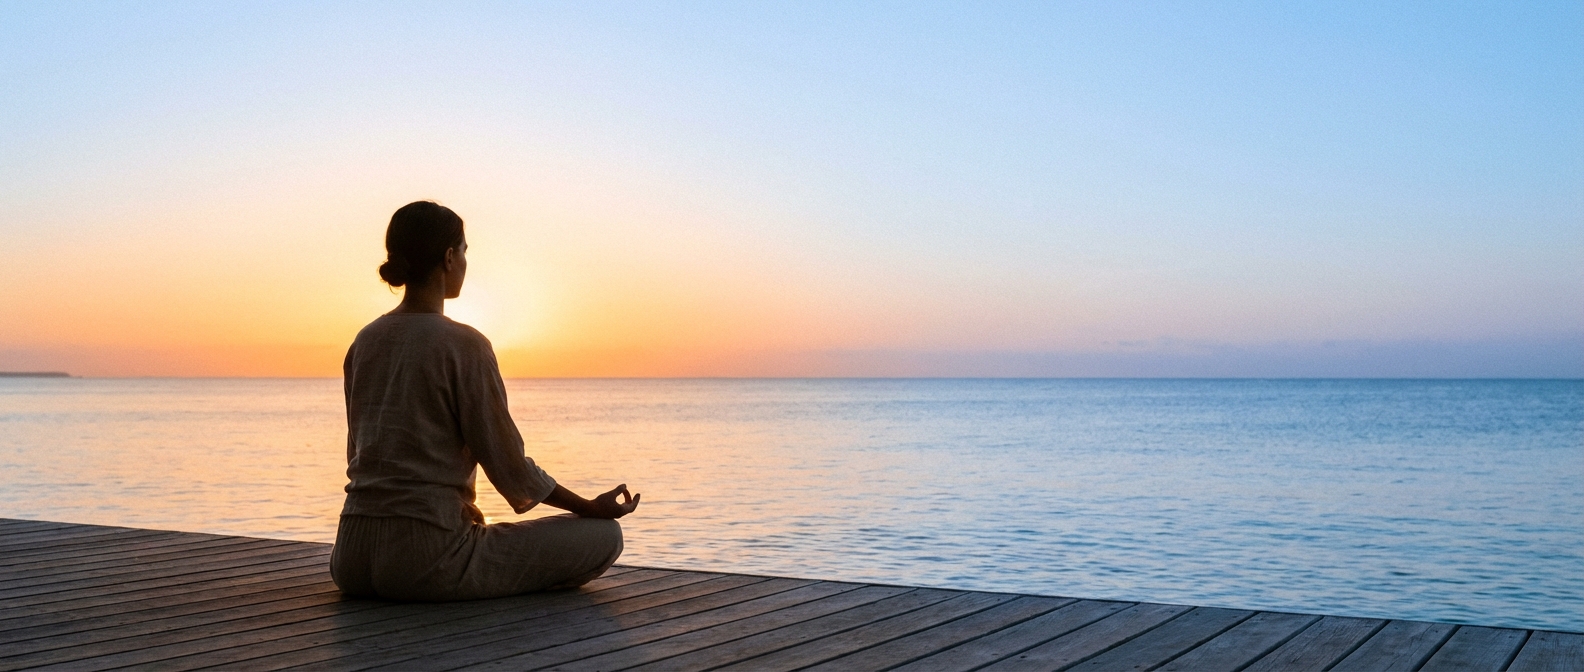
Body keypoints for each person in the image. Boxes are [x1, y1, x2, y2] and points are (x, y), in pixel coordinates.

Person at [330, 200, 638, 601]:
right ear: (448, 257)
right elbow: (509, 466)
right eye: (464, 251)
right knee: (603, 536)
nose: (465, 262)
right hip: (427, 560)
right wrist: (588, 507)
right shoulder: (465, 346)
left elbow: (358, 454)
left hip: (350, 558)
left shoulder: (365, 341)